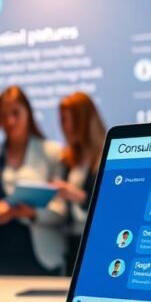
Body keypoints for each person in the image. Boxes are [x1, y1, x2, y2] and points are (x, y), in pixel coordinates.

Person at [0, 86, 66, 275]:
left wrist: (32, 213)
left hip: (41, 256)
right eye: (3, 115)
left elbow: (61, 210)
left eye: (15, 113)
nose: (10, 121)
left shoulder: (52, 153)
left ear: (28, 113)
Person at [52, 92, 107, 273]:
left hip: (98, 243)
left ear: (86, 121)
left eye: (72, 120)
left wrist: (77, 195)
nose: (67, 127)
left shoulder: (107, 157)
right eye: (63, 120)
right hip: (73, 244)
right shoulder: (67, 159)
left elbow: (109, 206)